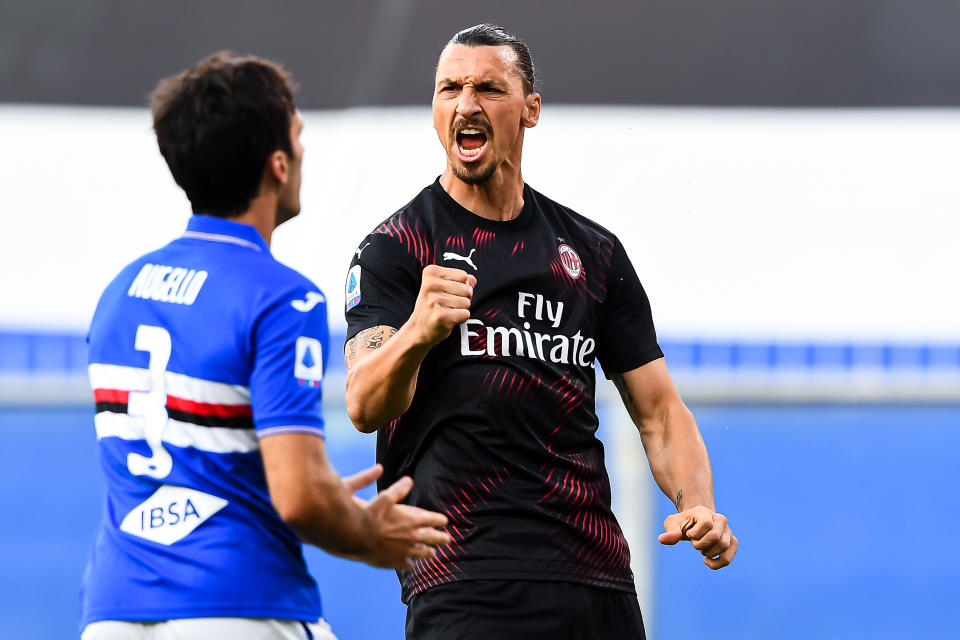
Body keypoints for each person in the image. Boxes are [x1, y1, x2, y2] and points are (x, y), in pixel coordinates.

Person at [342, 24, 738, 639]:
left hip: (595, 578)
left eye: (488, 89)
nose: (466, 104)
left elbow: (659, 411)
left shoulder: (592, 252)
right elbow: (365, 404)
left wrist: (698, 505)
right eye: (450, 88)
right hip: (465, 576)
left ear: (530, 110)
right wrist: (418, 332)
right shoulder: (397, 249)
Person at [80, 52, 450, 640]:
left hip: (113, 613)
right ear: (278, 164)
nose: (304, 153)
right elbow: (300, 497)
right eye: (298, 137)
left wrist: (335, 500)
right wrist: (368, 535)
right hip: (240, 607)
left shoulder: (119, 292)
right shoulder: (283, 299)